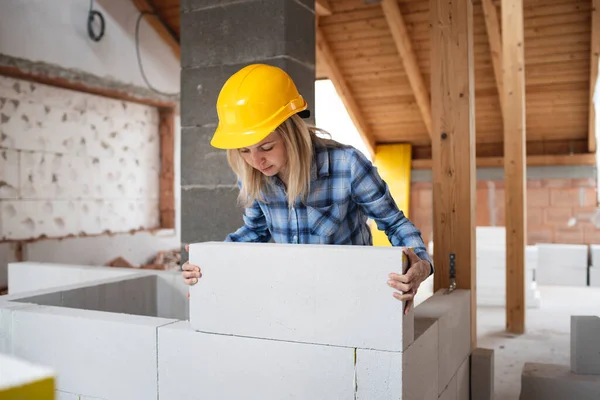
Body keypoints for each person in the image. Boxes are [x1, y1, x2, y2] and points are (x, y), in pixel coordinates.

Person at [181, 63, 433, 314]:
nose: (256, 161)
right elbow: (255, 231)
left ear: (292, 132)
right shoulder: (253, 174)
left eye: (266, 147)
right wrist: (210, 261)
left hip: (350, 298)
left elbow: (394, 223)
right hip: (293, 297)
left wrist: (421, 264)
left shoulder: (347, 165)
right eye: (244, 151)